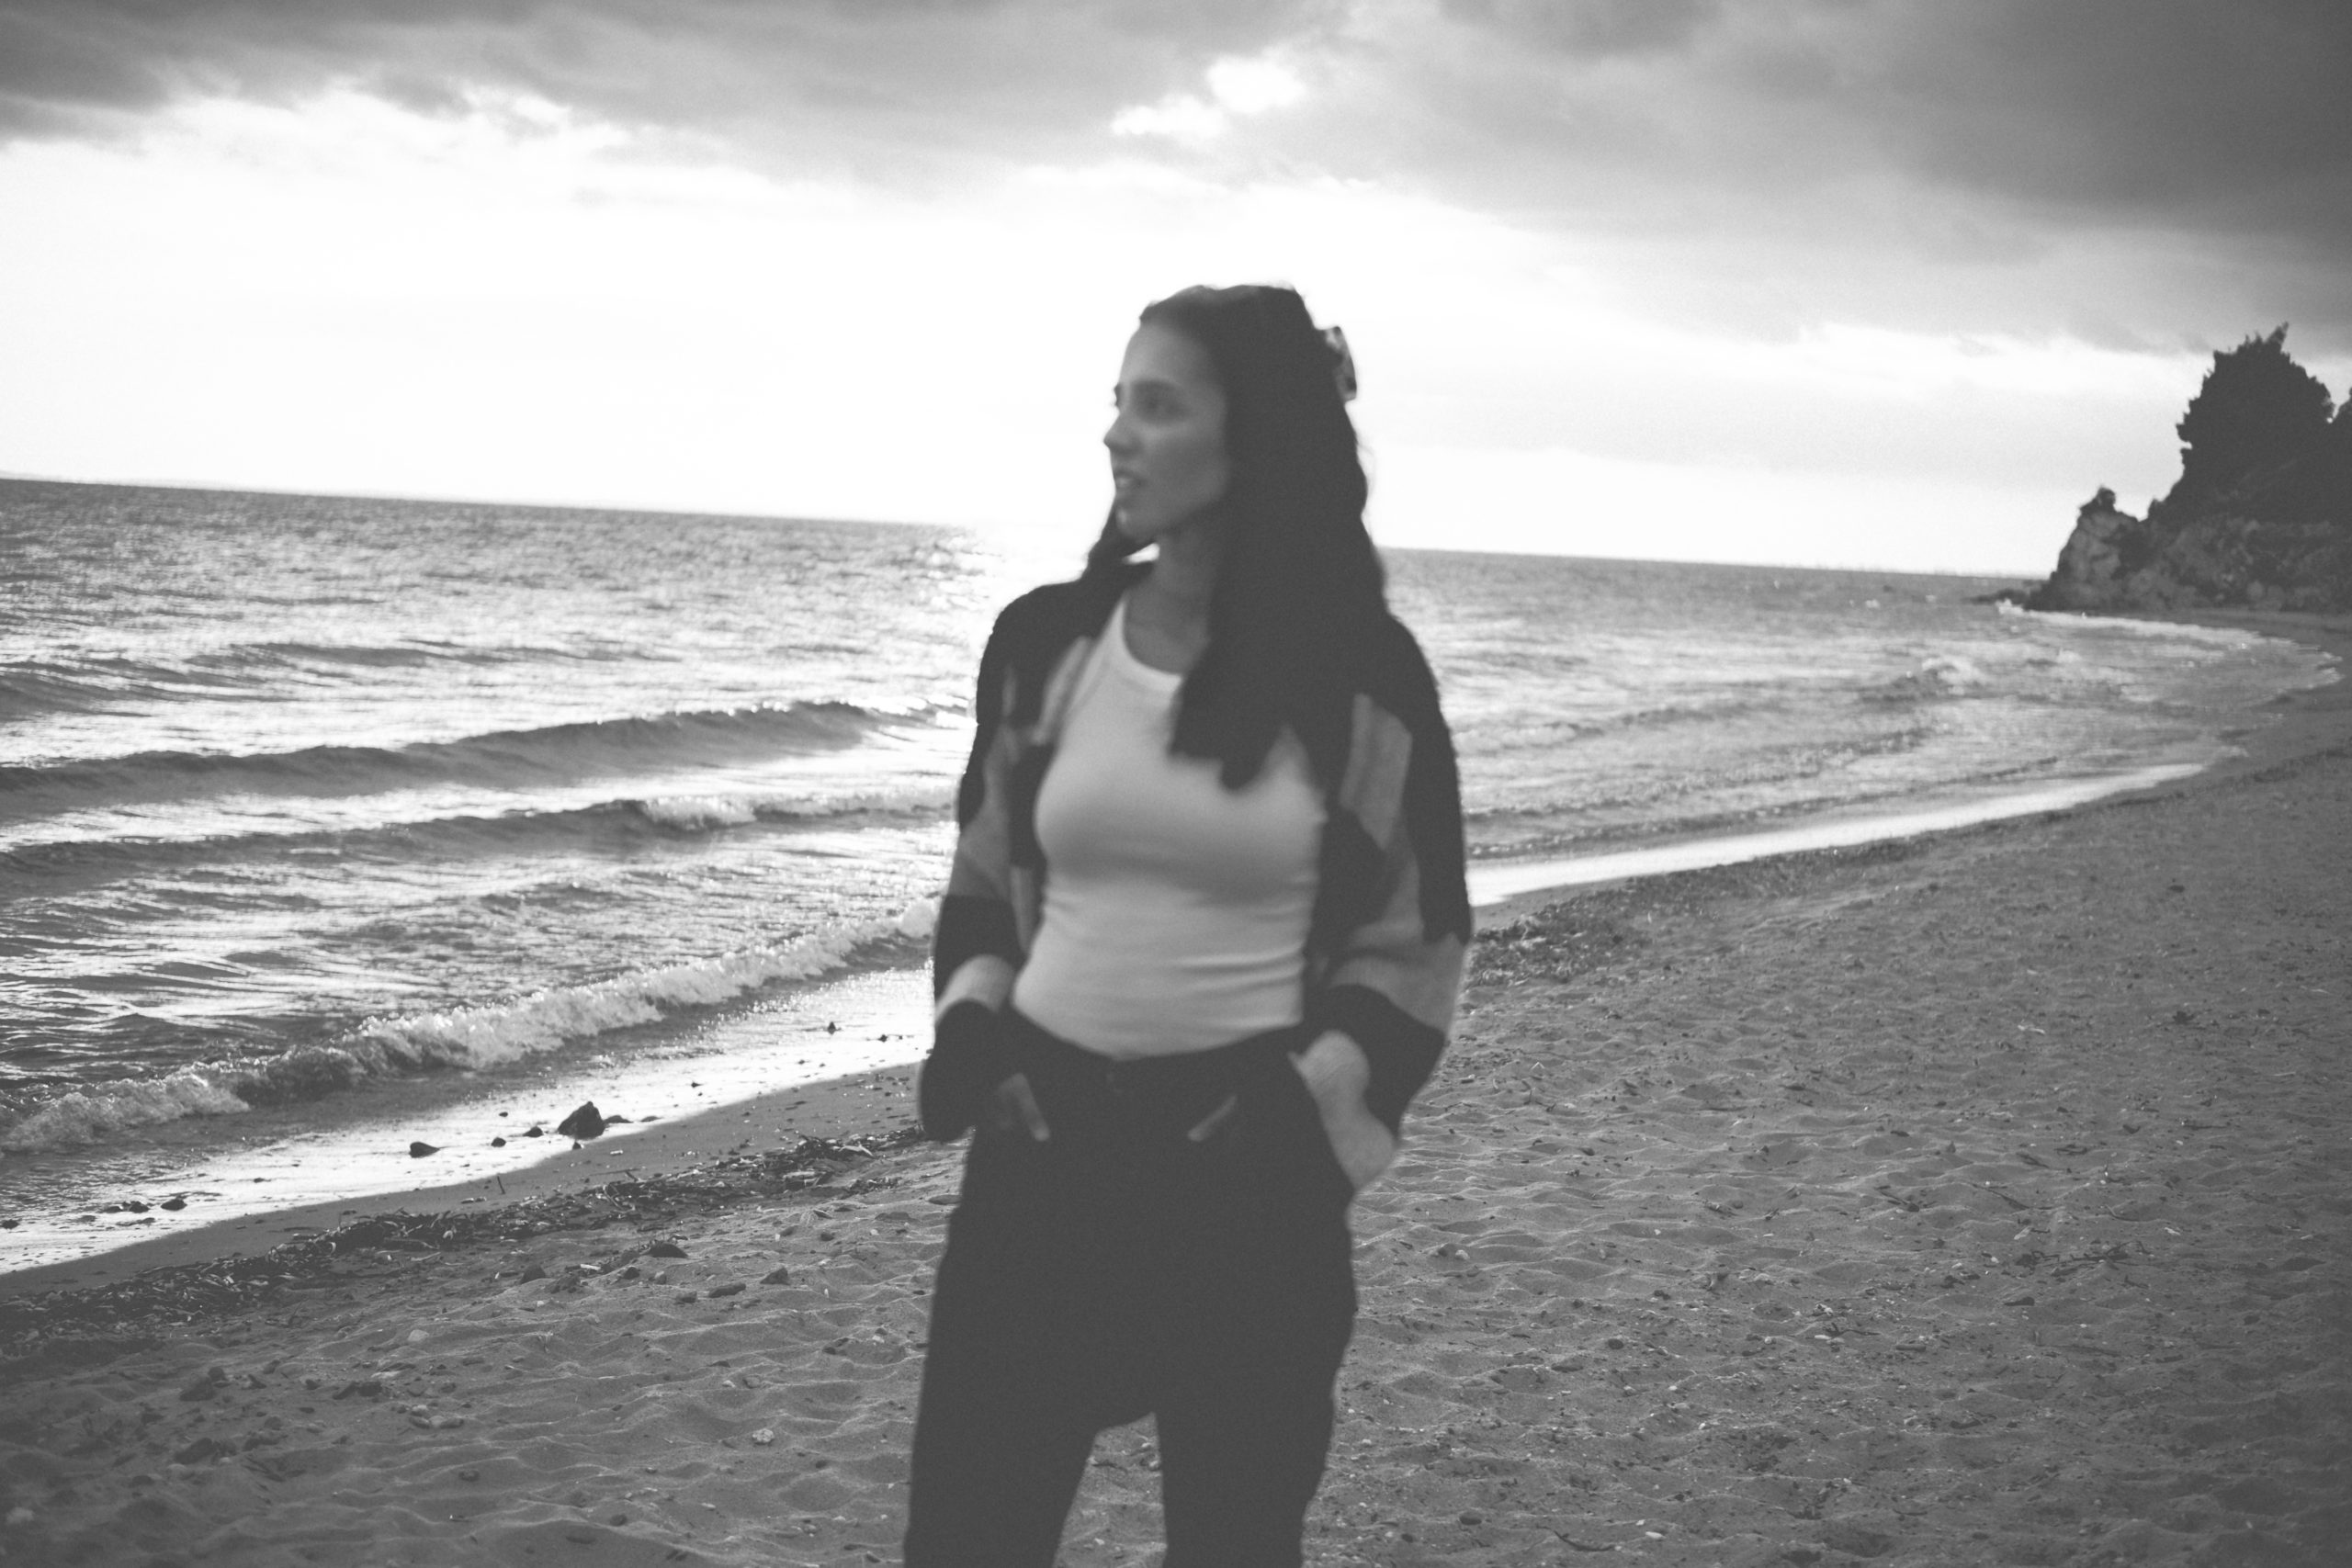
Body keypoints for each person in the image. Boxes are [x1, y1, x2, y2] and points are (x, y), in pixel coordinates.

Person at [903, 283, 1471, 1568]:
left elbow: (1417, 940)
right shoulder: (1045, 643)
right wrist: (979, 1042)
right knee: (967, 1538)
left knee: (1236, 1542)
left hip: (1248, 1178)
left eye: (1158, 406)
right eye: (1119, 402)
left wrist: (1292, 1116)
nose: (1119, 434)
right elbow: (983, 880)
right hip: (1037, 1157)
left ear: (1254, 436)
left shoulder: (1363, 677)